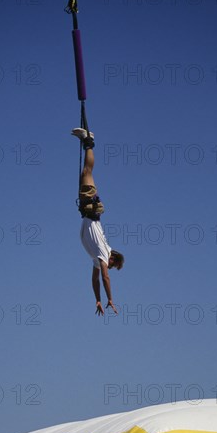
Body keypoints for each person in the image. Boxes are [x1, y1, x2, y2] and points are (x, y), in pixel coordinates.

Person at [72, 128, 124, 316]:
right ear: (112, 259)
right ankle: (89, 141)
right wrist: (110, 298)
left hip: (89, 210)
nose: (109, 267)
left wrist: (98, 299)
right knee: (87, 171)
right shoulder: (103, 253)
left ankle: (88, 143)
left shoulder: (97, 259)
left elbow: (95, 280)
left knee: (86, 172)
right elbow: (105, 278)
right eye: (112, 265)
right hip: (91, 209)